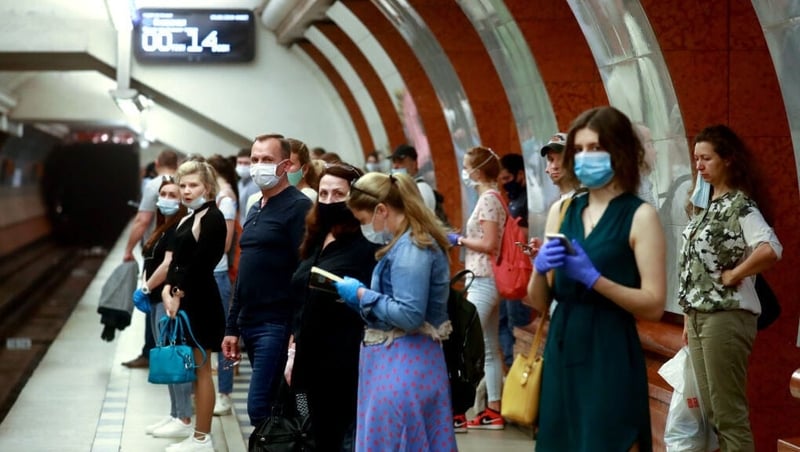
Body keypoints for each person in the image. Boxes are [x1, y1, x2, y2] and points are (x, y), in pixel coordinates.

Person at [527, 106, 666, 451]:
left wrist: (594, 279)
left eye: (595, 148)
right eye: (579, 149)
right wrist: (539, 268)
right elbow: (539, 301)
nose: (585, 157)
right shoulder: (562, 211)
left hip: (609, 349)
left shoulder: (640, 216)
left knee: (605, 439)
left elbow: (653, 304)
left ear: (618, 152)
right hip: (563, 344)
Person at [335, 171, 456, 451]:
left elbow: (410, 314)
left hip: (403, 365)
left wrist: (363, 295)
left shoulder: (412, 248)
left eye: (364, 220)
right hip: (402, 364)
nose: (366, 227)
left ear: (381, 209)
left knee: (398, 440)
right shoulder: (408, 244)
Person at [678, 125, 781, 452]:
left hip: (726, 315)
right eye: (696, 159)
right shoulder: (703, 206)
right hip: (698, 317)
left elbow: (770, 248)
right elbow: (691, 269)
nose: (699, 166)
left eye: (706, 158)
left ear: (728, 160)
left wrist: (737, 272)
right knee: (712, 411)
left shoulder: (740, 205)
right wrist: (685, 318)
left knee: (728, 413)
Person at [221, 134, 313, 426]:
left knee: (260, 405)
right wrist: (232, 326)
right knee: (273, 406)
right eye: (255, 159)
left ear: (285, 165)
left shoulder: (297, 207)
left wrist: (296, 333)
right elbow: (245, 268)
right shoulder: (255, 207)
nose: (258, 166)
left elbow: (304, 273)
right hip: (250, 321)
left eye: (267, 160)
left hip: (277, 322)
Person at [290, 163, 378, 450]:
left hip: (345, 356)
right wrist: (293, 349)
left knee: (341, 435)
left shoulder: (365, 242)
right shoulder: (316, 235)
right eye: (323, 193)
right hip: (309, 354)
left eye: (338, 194)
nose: (329, 201)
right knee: (316, 433)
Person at [161, 160, 228, 451]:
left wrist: (178, 291)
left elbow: (202, 264)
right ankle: (195, 432)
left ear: (208, 187)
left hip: (200, 300)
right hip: (185, 297)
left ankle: (203, 438)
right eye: (184, 185)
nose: (187, 191)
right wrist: (167, 288)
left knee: (202, 369)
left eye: (193, 185)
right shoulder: (190, 216)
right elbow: (177, 260)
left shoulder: (212, 217)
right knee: (192, 368)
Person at [447, 146, 506, 431]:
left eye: (467, 166)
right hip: (489, 279)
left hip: (483, 278)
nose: (465, 171)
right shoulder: (492, 198)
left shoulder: (487, 200)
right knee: (490, 348)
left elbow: (488, 243)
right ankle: (493, 409)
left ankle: (458, 410)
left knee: (463, 343)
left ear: (478, 171)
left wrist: (458, 240)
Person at [135, 177, 195, 440]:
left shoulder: (176, 228)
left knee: (173, 357)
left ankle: (184, 416)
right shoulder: (163, 227)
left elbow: (168, 265)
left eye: (173, 194)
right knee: (165, 357)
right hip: (157, 299)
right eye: (164, 194)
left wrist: (146, 288)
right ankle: (174, 412)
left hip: (167, 298)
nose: (167, 199)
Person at [122, 149, 179, 369]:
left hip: (156, 250)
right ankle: (163, 353)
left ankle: (152, 354)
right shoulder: (181, 181)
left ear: (157, 163)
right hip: (167, 250)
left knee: (154, 302)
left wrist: (128, 250)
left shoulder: (154, 185)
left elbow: (142, 220)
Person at [205, 154, 239, 416]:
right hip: (207, 275)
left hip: (217, 274)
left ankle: (225, 394)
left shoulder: (225, 199)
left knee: (224, 338)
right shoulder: (213, 198)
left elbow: (225, 244)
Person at [496, 153, 533, 369]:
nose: (505, 184)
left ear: (520, 174)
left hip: (521, 271)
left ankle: (517, 370)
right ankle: (510, 366)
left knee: (517, 323)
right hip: (506, 270)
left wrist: (513, 232)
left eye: (507, 178)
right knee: (504, 322)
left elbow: (533, 231)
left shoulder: (528, 199)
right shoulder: (511, 200)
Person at [389, 144, 436, 212]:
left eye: (400, 161)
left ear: (414, 164)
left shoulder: (421, 189)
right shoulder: (403, 188)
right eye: (394, 162)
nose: (395, 166)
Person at [236, 148, 260, 225]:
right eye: (239, 163)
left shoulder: (256, 184)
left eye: (246, 163)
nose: (242, 166)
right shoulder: (240, 183)